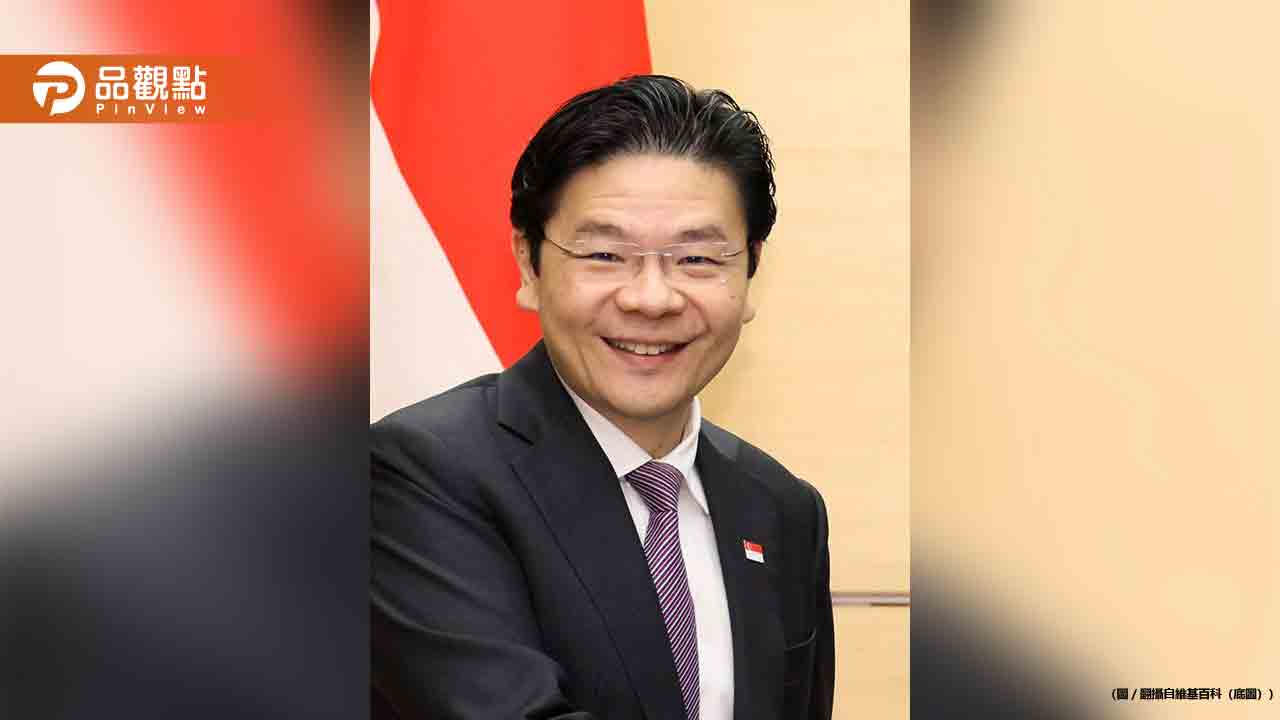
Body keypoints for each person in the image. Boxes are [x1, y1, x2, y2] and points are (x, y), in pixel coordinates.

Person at [371, 74, 834, 720]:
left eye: (698, 260)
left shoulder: (783, 509)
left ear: (750, 267)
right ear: (529, 263)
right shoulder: (421, 473)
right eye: (606, 255)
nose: (651, 298)